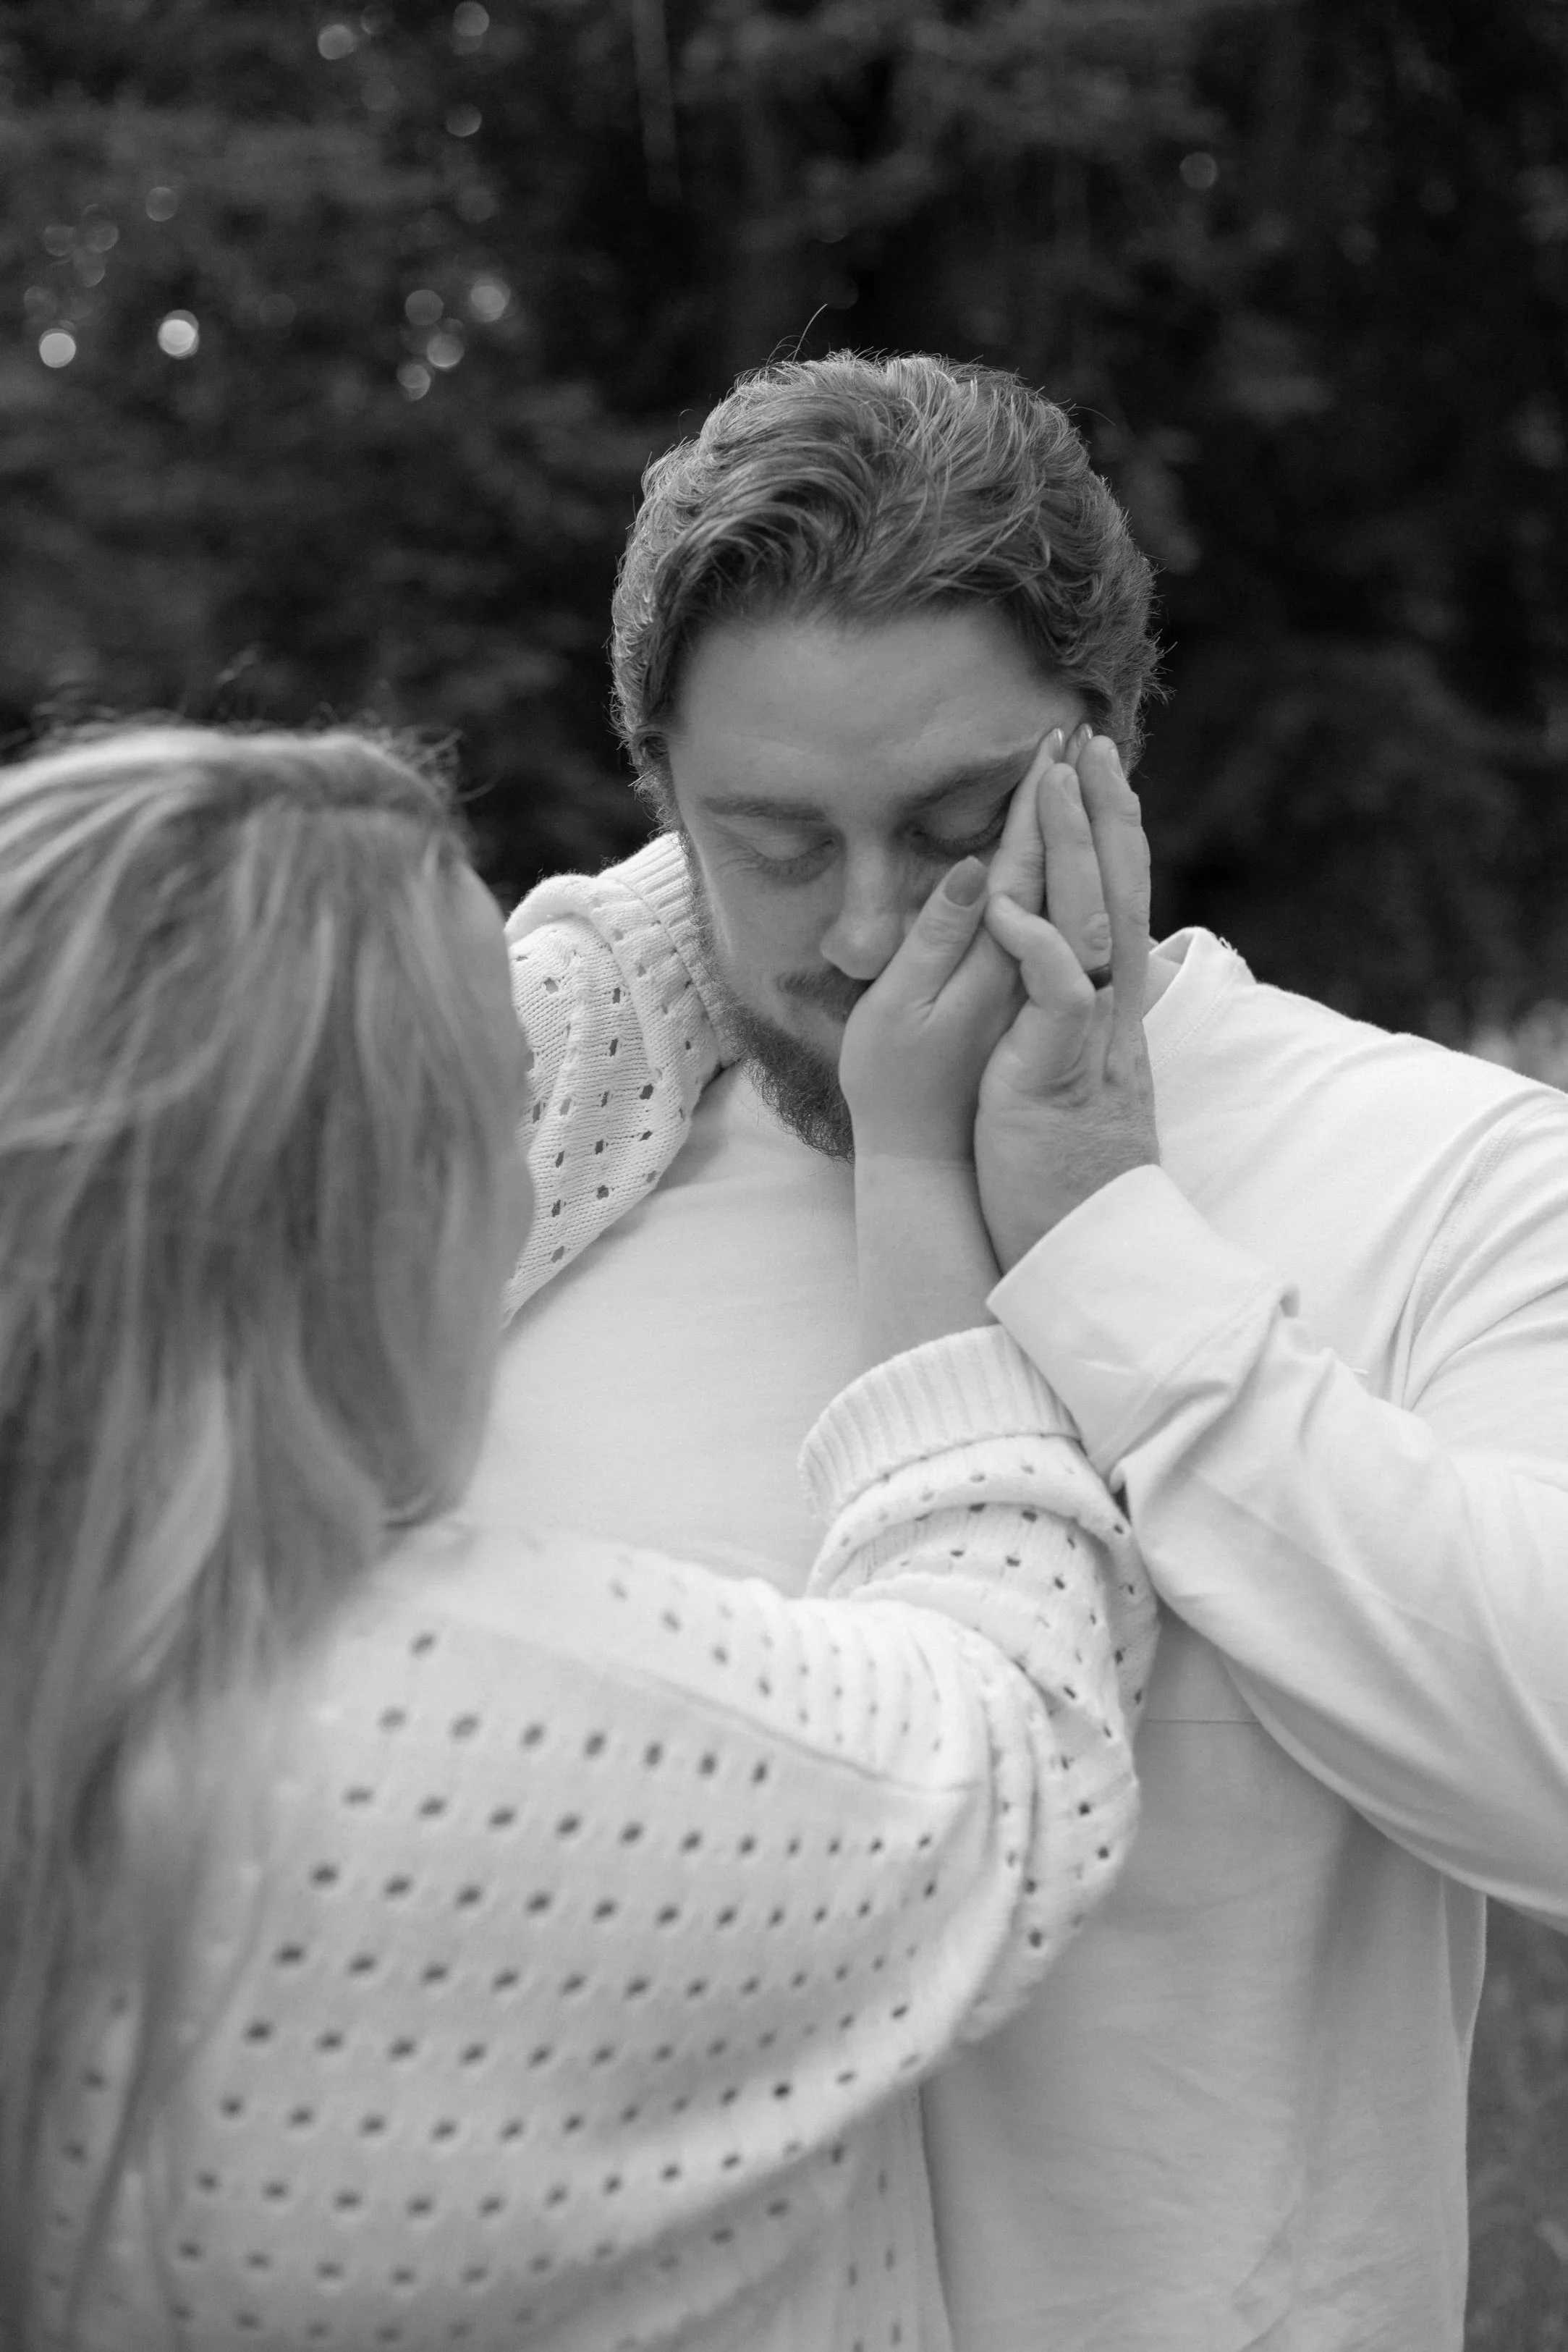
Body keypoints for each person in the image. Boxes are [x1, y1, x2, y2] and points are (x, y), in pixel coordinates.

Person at [490, 352, 1568, 2352]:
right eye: (775, 845)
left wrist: (1100, 1247)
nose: (865, 935)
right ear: (655, 801)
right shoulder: (513, 1192)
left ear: (1111, 747)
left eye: (954, 825)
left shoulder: (1441, 1175)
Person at [0, 720, 1156, 2352]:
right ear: (387, 1204)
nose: (535, 1137)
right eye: (506, 1096)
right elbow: (1013, 1741)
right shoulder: (448, 1734)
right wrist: (906, 1147)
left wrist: (764, 866)